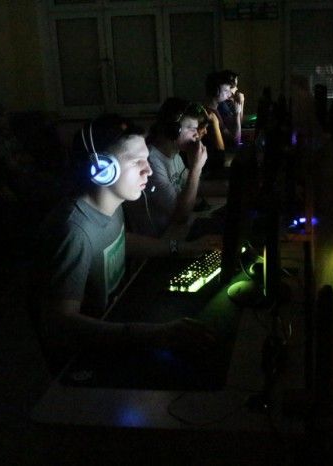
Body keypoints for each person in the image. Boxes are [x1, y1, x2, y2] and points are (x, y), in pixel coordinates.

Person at [31, 114, 216, 374]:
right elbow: (60, 323)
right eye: (136, 161)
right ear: (102, 168)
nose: (148, 170)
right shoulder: (73, 231)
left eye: (147, 159)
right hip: (87, 359)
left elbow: (120, 239)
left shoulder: (111, 203)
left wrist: (182, 248)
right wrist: (154, 335)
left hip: (116, 327)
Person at [125, 98, 211, 238]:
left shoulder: (175, 156)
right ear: (173, 130)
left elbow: (195, 187)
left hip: (175, 232)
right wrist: (196, 169)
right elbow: (181, 216)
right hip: (161, 241)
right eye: (192, 129)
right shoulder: (151, 162)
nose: (197, 134)